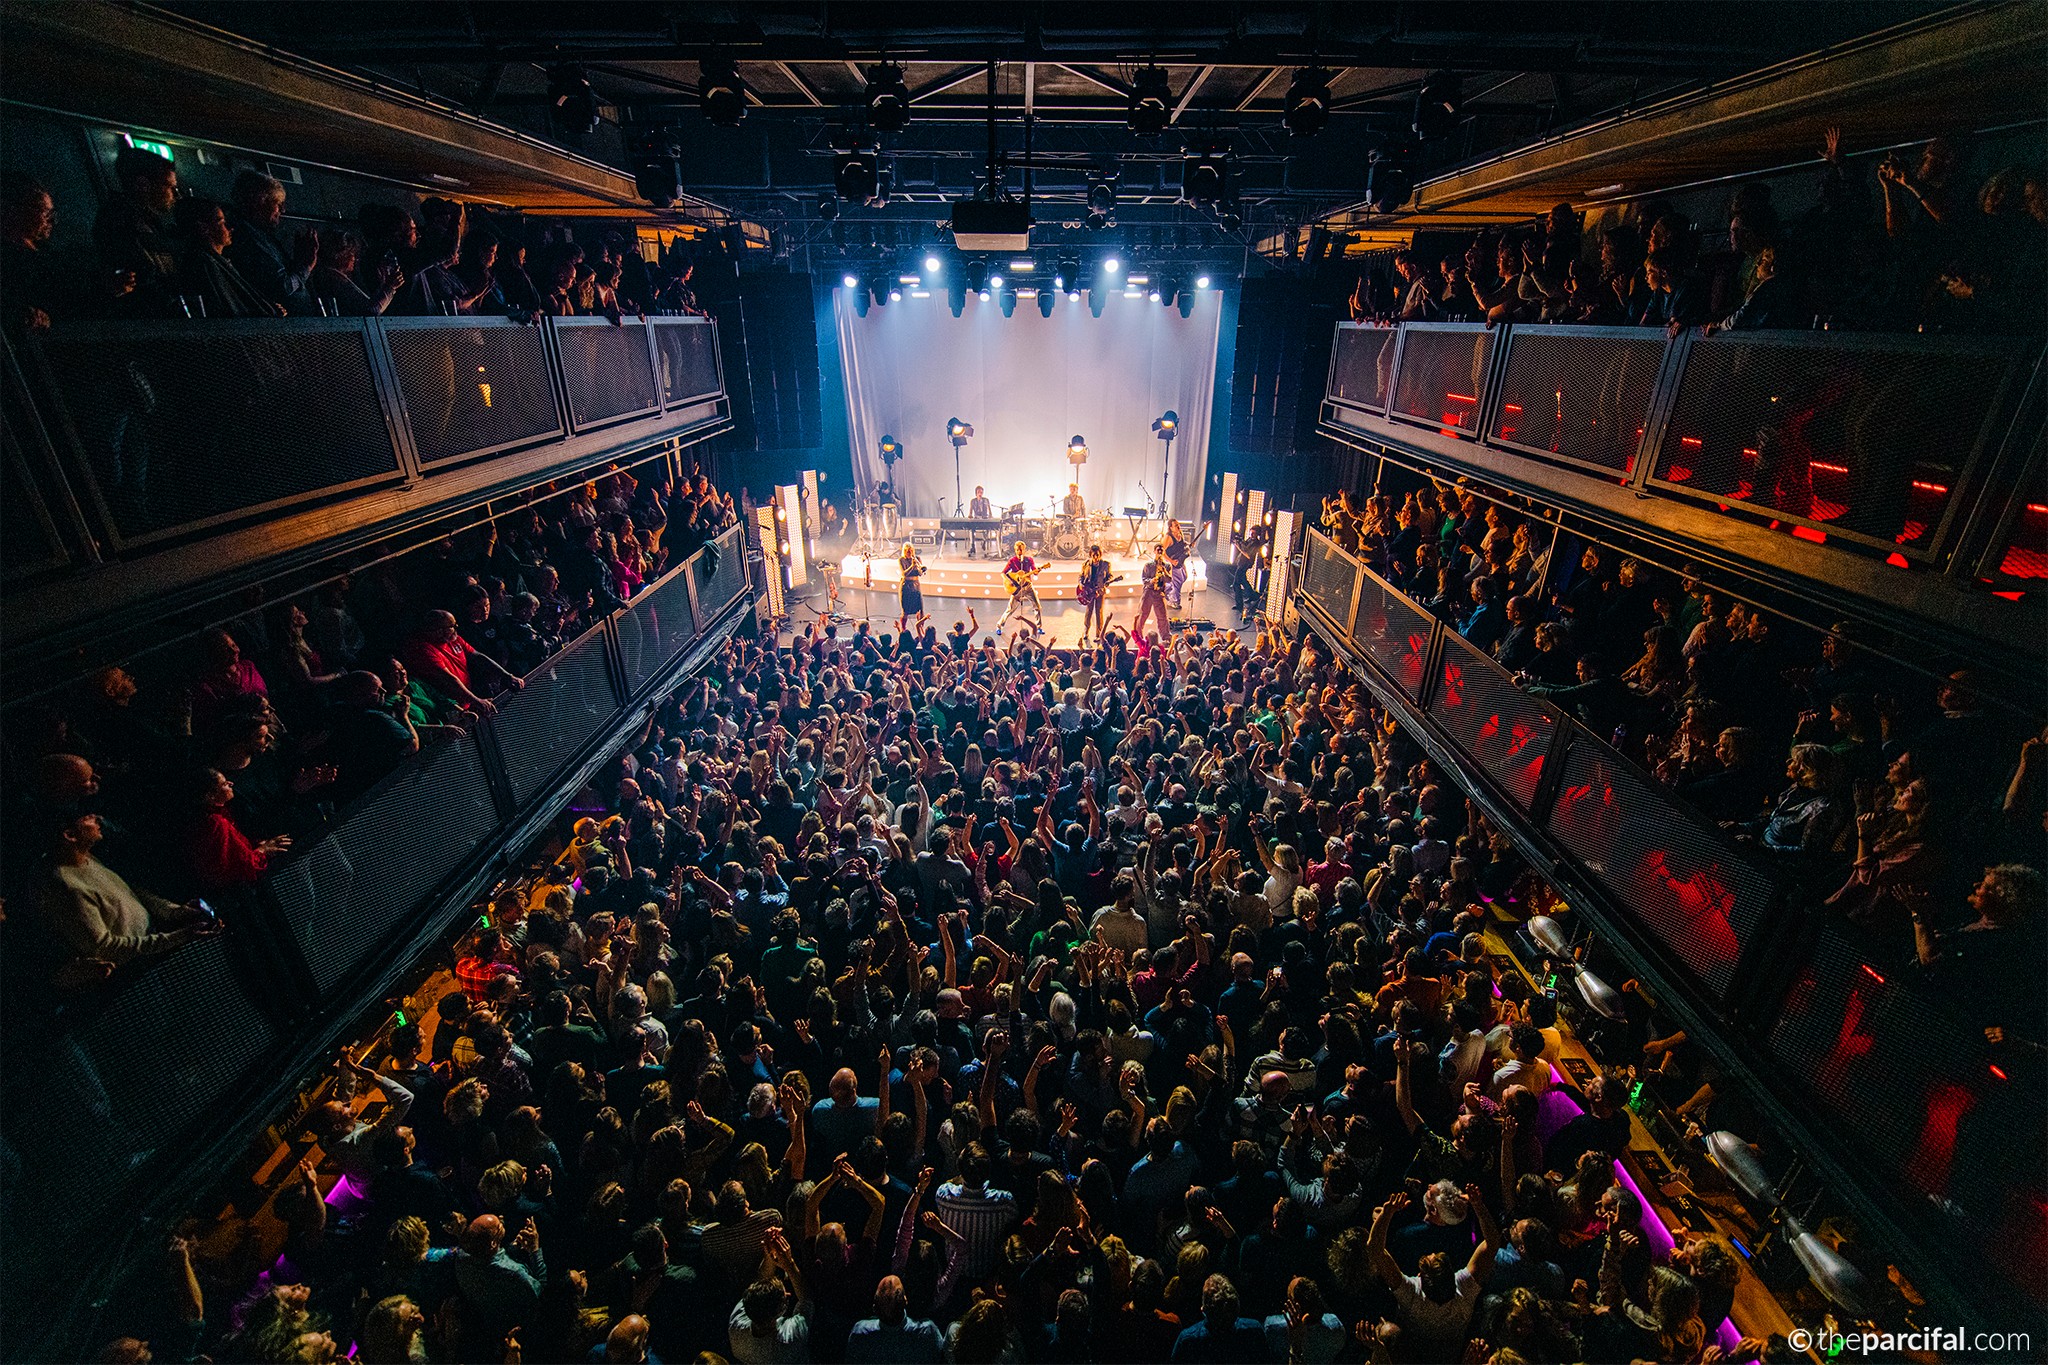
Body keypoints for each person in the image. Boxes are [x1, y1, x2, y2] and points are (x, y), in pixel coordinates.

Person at [39, 808, 220, 966]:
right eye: (88, 818)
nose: (98, 819)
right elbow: (104, 948)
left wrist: (174, 911)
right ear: (70, 835)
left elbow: (127, 891)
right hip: (135, 970)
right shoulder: (65, 885)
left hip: (152, 949)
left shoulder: (84, 858)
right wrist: (180, 936)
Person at [172, 196, 285, 319]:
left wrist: (265, 306)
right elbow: (230, 305)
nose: (230, 228)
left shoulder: (215, 261)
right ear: (204, 228)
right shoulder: (204, 263)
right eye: (222, 222)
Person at [223, 171, 319, 315]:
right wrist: (306, 266)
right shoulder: (247, 237)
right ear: (259, 202)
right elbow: (282, 287)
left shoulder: (261, 235)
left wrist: (298, 259)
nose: (283, 210)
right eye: (278, 204)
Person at [996, 541, 1043, 638]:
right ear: (1015, 550)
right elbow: (1003, 573)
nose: (1019, 552)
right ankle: (999, 626)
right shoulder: (1012, 561)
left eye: (1021, 549)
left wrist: (1037, 571)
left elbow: (1034, 571)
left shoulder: (1029, 560)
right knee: (1010, 609)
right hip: (1017, 588)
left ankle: (1038, 627)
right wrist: (1009, 581)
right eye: (1018, 550)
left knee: (1037, 607)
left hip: (1028, 586)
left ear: (1024, 550)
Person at [1077, 544, 1116, 646]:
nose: (1095, 557)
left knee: (1099, 612)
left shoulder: (1106, 564)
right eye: (1093, 555)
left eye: (1097, 555)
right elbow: (1081, 576)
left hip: (1099, 592)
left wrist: (1106, 583)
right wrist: (1081, 584)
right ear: (1090, 554)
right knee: (1089, 611)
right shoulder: (1086, 564)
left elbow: (1110, 576)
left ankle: (1098, 634)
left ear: (1100, 555)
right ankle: (1086, 631)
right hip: (1089, 592)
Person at [1135, 545, 1173, 644]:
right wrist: (1152, 580)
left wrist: (1164, 571)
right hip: (1149, 591)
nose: (1160, 552)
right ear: (1154, 551)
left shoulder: (1168, 565)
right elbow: (1144, 579)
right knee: (1143, 614)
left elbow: (1169, 580)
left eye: (1162, 550)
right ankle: (1138, 636)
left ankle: (1166, 637)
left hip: (1159, 592)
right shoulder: (1148, 565)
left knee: (1162, 616)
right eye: (1158, 550)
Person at [896, 542, 927, 636]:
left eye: (911, 551)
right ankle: (903, 629)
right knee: (905, 610)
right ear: (904, 551)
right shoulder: (901, 560)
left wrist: (920, 568)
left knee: (920, 610)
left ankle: (921, 629)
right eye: (907, 551)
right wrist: (911, 566)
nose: (909, 553)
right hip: (906, 586)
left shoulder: (917, 559)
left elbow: (920, 573)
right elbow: (904, 573)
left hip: (916, 585)